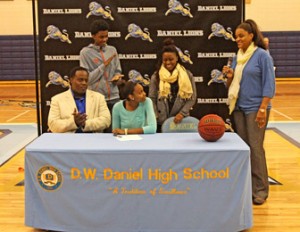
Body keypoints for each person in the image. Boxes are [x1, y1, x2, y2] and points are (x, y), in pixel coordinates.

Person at [223, 19, 276, 205]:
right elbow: (232, 86)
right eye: (236, 36)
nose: (237, 39)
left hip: (256, 109)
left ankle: (261, 190)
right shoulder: (238, 57)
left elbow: (270, 85)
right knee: (244, 149)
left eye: (241, 36)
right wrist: (229, 77)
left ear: (251, 36)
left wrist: (263, 108)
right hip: (239, 108)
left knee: (255, 149)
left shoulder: (262, 56)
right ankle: (247, 189)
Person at [149, 38, 197, 132]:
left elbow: (192, 97)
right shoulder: (156, 76)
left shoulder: (187, 75)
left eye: (171, 59)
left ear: (177, 58)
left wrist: (182, 113)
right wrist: (156, 115)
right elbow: (152, 98)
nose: (168, 62)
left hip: (181, 121)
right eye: (165, 60)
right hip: (160, 122)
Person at [79, 19, 123, 115]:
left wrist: (117, 78)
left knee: (115, 129)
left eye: (106, 36)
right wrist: (104, 66)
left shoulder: (112, 50)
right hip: (96, 98)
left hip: (114, 97)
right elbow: (87, 79)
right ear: (93, 36)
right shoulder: (85, 53)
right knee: (97, 128)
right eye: (101, 37)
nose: (104, 39)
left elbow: (118, 71)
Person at [48, 66, 111, 133]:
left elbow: (106, 120)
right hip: (68, 141)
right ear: (71, 80)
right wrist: (74, 122)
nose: (84, 83)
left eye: (86, 80)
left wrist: (85, 124)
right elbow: (53, 125)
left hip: (93, 140)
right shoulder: (57, 99)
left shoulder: (99, 98)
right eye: (80, 80)